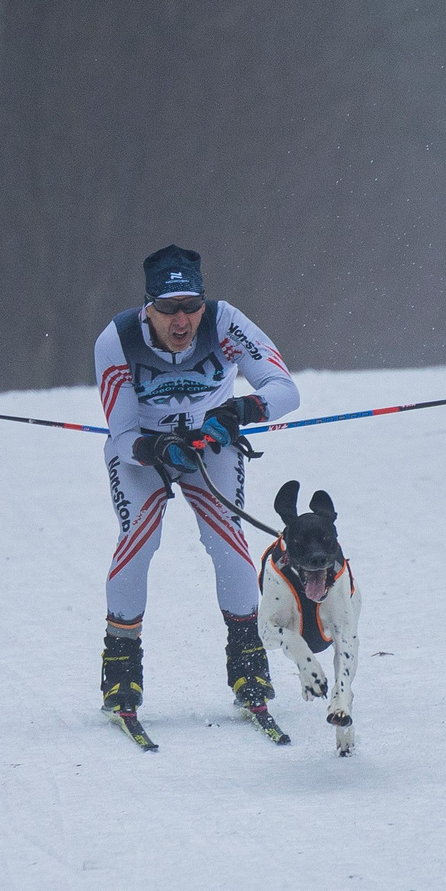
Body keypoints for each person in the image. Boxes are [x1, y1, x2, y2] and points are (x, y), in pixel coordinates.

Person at [94, 244, 300, 727]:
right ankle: (121, 667)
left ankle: (248, 665)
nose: (181, 320)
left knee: (228, 541)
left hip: (213, 443)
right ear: (148, 308)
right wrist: (157, 448)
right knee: (139, 539)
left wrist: (241, 411)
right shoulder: (118, 338)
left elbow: (285, 390)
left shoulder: (226, 323)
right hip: (145, 451)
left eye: (190, 306)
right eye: (167, 309)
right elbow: (123, 435)